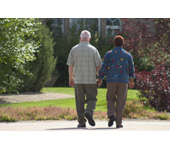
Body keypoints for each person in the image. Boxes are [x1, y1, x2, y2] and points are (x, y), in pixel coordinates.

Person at [97, 35, 135, 128]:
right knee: (121, 101)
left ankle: (111, 115)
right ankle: (119, 123)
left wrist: (100, 78)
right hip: (123, 80)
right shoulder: (127, 55)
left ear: (114, 43)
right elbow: (131, 68)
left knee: (110, 98)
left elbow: (104, 67)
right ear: (123, 43)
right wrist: (131, 80)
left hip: (111, 80)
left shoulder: (109, 54)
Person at [67, 30, 102, 128]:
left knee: (79, 102)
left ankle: (81, 122)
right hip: (91, 80)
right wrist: (99, 78)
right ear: (89, 39)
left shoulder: (74, 49)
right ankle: (89, 111)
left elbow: (70, 65)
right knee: (92, 98)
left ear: (80, 38)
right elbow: (98, 66)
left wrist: (71, 77)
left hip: (78, 80)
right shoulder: (93, 50)